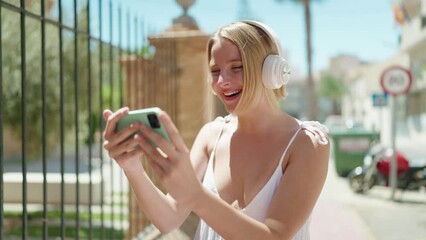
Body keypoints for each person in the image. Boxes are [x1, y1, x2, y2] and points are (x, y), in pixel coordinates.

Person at [103, 20, 330, 240]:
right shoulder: (211, 135)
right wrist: (132, 168)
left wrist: (196, 196)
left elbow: (275, 237)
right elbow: (169, 218)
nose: (222, 80)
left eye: (237, 67)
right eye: (215, 71)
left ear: (271, 71)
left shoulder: (308, 143)